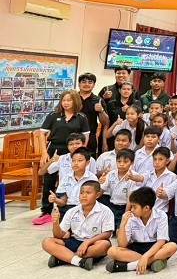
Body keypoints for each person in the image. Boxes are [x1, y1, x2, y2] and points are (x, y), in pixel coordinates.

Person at [34, 89, 90, 225]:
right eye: (64, 100)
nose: (66, 103)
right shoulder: (53, 115)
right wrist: (44, 153)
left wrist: (80, 152)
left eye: (69, 100)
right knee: (48, 179)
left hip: (73, 150)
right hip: (55, 149)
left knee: (71, 178)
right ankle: (46, 210)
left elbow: (85, 137)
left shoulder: (81, 117)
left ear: (75, 101)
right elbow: (42, 134)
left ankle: (71, 206)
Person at [42, 180, 113, 270]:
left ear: (97, 195)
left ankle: (64, 258)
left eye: (88, 193)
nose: (84, 196)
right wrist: (55, 224)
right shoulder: (72, 211)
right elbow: (58, 236)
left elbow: (107, 234)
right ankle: (80, 261)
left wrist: (87, 242)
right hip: (75, 241)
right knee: (47, 242)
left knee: (104, 245)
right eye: (81, 193)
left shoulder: (105, 211)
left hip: (93, 243)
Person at [106, 186, 177, 274]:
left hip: (154, 247)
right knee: (112, 251)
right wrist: (123, 224)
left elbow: (161, 242)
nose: (131, 210)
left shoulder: (161, 215)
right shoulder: (129, 217)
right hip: (135, 248)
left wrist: (145, 257)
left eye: (134, 207)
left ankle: (130, 266)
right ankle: (152, 262)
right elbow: (122, 244)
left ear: (146, 208)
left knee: (172, 246)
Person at [98, 148, 144, 229]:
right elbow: (101, 191)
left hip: (124, 207)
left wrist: (125, 216)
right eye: (119, 161)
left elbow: (130, 199)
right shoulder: (111, 174)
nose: (121, 164)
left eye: (125, 162)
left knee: (120, 228)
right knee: (98, 197)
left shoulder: (133, 176)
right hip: (110, 205)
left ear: (132, 163)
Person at [76, 72, 109, 157]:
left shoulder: (98, 100)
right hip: (72, 136)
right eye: (83, 82)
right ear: (79, 84)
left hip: (90, 137)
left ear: (94, 85)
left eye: (90, 82)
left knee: (89, 161)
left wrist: (101, 111)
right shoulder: (73, 98)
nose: (86, 84)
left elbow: (105, 123)